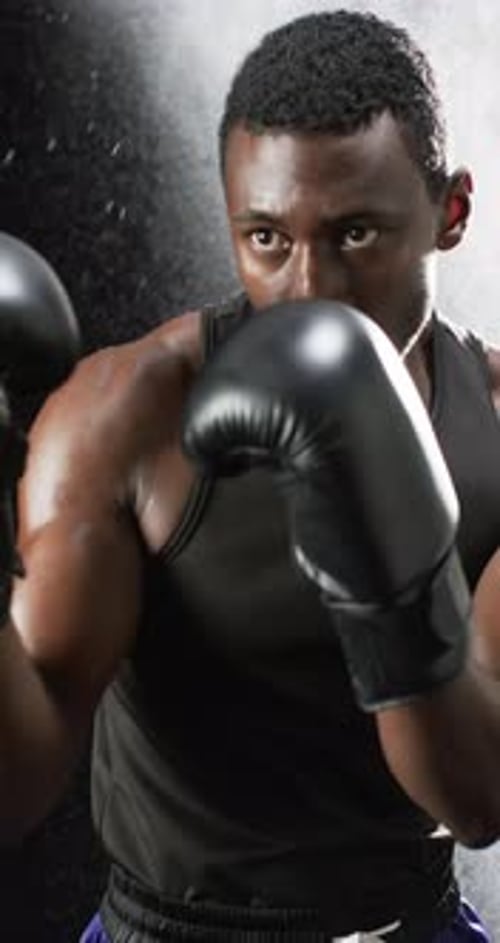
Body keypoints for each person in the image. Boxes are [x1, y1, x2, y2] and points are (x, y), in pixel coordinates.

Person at [1, 8, 499, 942]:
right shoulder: (127, 416)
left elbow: (479, 795)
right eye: (267, 239)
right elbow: (16, 779)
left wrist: (385, 543)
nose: (308, 293)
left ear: (452, 213)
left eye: (355, 236)